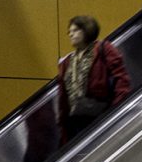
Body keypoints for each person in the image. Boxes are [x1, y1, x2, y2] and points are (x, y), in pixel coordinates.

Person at [56, 16, 132, 145]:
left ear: (86, 30)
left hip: (100, 114)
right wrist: (63, 126)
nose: (70, 34)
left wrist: (117, 107)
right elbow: (63, 97)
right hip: (76, 121)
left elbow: (121, 78)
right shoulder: (67, 62)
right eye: (69, 31)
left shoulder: (103, 48)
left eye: (75, 30)